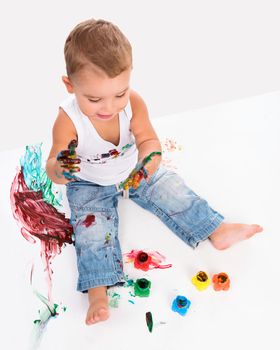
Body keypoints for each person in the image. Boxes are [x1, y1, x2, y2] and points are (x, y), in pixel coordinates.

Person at [46, 18, 263, 326]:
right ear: (70, 86)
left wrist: (149, 162)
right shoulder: (67, 120)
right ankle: (98, 289)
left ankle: (216, 229)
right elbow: (53, 166)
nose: (109, 106)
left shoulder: (134, 104)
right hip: (88, 184)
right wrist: (61, 169)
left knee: (172, 190)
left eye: (119, 93)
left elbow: (149, 141)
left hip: (133, 171)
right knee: (91, 230)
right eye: (94, 99)